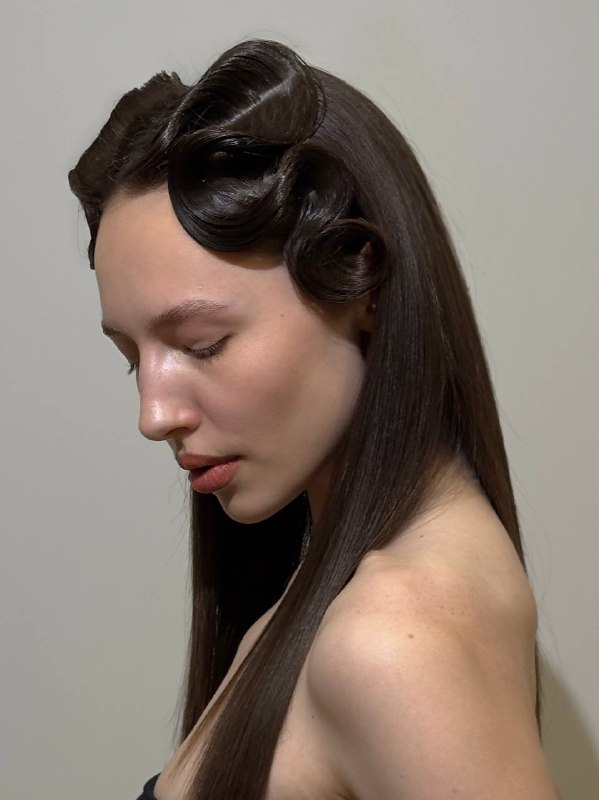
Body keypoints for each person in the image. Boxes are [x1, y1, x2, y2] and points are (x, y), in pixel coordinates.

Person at [68, 38, 561, 800]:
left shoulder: (391, 645)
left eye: (202, 344)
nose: (154, 415)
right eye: (133, 357)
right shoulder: (368, 579)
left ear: (360, 282)